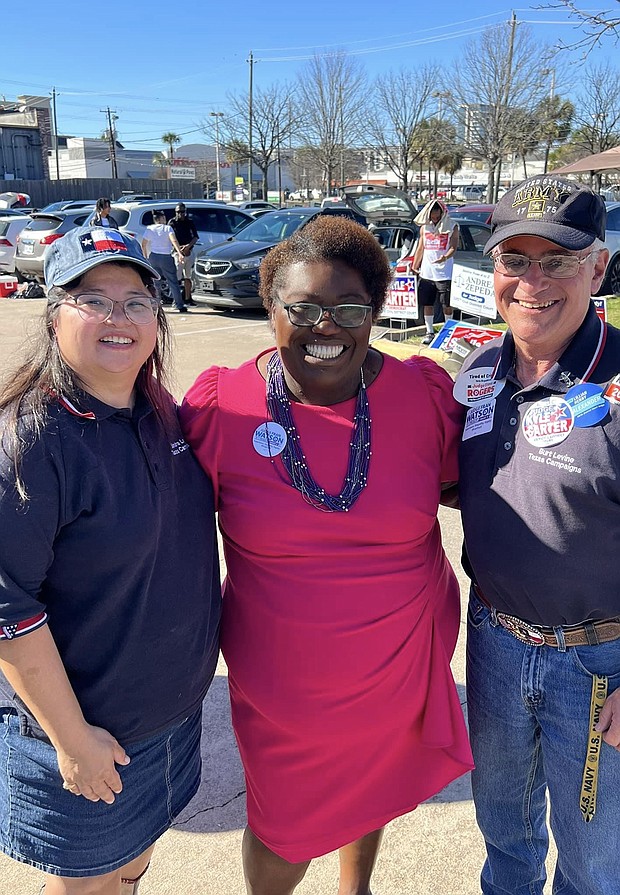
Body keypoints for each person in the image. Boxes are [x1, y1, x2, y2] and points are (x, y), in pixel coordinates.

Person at [180, 216, 473, 895]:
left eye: (349, 309)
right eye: (303, 308)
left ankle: (355, 887)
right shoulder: (223, 406)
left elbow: (484, 491)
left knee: (376, 776)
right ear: (271, 306)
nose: (326, 328)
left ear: (374, 310)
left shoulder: (423, 396)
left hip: (399, 655)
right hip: (284, 681)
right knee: (283, 820)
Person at [0, 226, 221, 895]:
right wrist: (73, 742)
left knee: (131, 865)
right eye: (92, 298)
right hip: (88, 734)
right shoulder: (32, 438)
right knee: (86, 886)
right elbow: (6, 604)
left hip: (171, 719)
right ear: (53, 313)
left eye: (134, 299)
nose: (117, 316)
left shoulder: (163, 413)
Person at [456, 176, 620, 895]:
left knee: (592, 866)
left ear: (599, 267)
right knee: (506, 841)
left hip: (596, 665)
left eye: (557, 259)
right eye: (513, 259)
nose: (532, 280)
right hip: (493, 640)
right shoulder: (478, 373)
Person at [410, 199, 459, 345]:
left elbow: (454, 246)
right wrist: (415, 265)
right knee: (427, 303)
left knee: (446, 304)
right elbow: (420, 248)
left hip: (445, 273)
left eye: (437, 214)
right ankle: (429, 331)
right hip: (427, 273)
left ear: (442, 212)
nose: (435, 217)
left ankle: (448, 331)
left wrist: (445, 257)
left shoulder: (452, 226)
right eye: (432, 214)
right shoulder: (425, 228)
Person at [141, 209, 187, 313]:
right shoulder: (167, 228)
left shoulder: (150, 229)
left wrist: (145, 256)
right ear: (161, 218)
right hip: (166, 256)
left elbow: (144, 244)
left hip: (153, 256)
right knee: (173, 281)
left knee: (155, 281)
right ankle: (179, 304)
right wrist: (179, 253)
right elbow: (173, 240)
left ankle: (156, 304)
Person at [168, 203, 198, 306]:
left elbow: (195, 237)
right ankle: (176, 299)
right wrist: (179, 249)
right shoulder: (172, 223)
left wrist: (188, 246)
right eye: (178, 212)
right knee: (177, 277)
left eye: (182, 212)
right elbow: (170, 238)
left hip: (189, 252)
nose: (180, 214)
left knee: (188, 276)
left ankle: (188, 298)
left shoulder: (189, 222)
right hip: (177, 253)